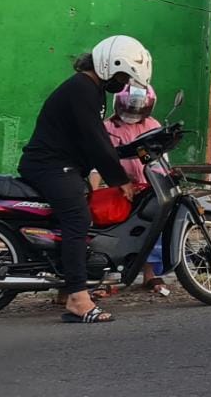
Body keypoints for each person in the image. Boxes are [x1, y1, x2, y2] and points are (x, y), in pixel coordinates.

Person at [18, 35, 153, 324]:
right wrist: (119, 179)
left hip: (60, 166)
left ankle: (65, 288)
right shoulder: (82, 89)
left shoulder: (90, 90)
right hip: (50, 166)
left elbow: (98, 138)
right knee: (77, 218)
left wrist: (126, 153)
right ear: (107, 65)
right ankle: (79, 299)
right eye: (121, 75)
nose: (122, 82)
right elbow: (95, 141)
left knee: (69, 218)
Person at [99, 83, 170, 297]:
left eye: (138, 108)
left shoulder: (151, 126)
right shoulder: (108, 128)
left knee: (153, 230)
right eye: (129, 108)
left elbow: (154, 158)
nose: (133, 113)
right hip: (118, 189)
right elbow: (99, 162)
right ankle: (110, 276)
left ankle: (150, 274)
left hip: (149, 187)